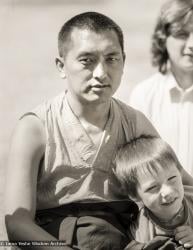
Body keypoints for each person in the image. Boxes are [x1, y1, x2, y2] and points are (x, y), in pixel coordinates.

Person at [4, 11, 193, 250]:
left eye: (112, 58)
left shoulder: (133, 123)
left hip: (120, 240)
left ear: (123, 61)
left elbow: (184, 184)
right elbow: (17, 224)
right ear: (61, 66)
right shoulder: (35, 129)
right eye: (87, 60)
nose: (101, 73)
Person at [129, 0, 193, 176]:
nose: (192, 44)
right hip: (167, 200)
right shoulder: (144, 95)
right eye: (182, 34)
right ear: (163, 38)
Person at [114, 135, 193, 249]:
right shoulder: (141, 230)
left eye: (172, 179)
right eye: (152, 188)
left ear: (180, 173)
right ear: (135, 196)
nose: (168, 191)